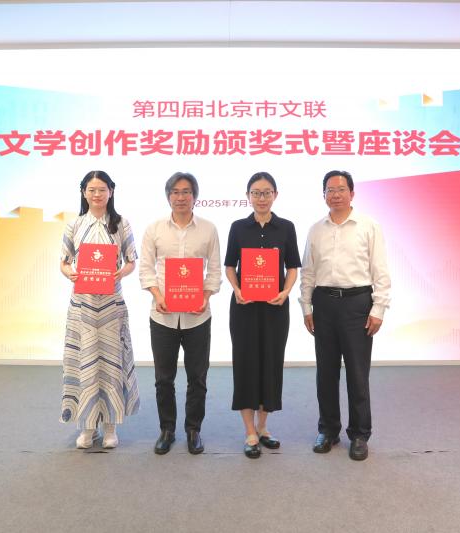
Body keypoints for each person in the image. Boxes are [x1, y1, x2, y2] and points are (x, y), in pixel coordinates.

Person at [299, 170, 391, 461]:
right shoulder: (316, 229)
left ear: (352, 193)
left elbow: (380, 270)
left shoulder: (369, 226)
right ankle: (328, 430)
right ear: (323, 195)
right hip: (324, 304)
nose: (335, 194)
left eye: (341, 189)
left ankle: (360, 434)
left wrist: (378, 309)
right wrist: (306, 307)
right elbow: (308, 272)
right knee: (325, 373)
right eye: (330, 190)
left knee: (357, 373)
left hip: (357, 304)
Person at [139, 172, 222, 455]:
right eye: (175, 192)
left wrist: (205, 297)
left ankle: (193, 429)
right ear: (168, 196)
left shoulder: (208, 229)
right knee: (164, 378)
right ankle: (167, 429)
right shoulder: (154, 229)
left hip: (198, 316)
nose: (181, 197)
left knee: (197, 377)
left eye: (186, 192)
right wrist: (158, 296)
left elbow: (214, 270)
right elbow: (146, 268)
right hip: (162, 316)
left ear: (195, 196)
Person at [59, 170, 140, 449]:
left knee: (111, 365)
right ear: (84, 192)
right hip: (82, 305)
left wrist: (121, 273)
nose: (97, 194)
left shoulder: (121, 224)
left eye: (102, 189)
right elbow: (64, 262)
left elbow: (131, 260)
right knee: (84, 363)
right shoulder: (74, 225)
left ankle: (110, 428)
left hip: (110, 306)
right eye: (91, 190)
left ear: (111, 192)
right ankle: (86, 427)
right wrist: (69, 272)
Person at [224, 172, 301, 459]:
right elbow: (230, 265)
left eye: (267, 192)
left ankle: (263, 427)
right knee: (246, 364)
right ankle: (249, 432)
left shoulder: (286, 228)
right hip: (244, 307)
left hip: (275, 307)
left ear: (275, 195)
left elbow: (292, 266)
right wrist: (236, 289)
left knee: (271, 363)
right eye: (256, 193)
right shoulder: (238, 227)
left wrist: (286, 291)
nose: (261, 198)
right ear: (248, 196)